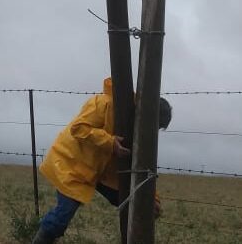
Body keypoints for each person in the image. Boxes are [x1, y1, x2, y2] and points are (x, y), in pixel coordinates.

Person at [32, 77, 172, 244]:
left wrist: (150, 198)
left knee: (132, 201)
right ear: (146, 114)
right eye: (153, 126)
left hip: (97, 171)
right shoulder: (103, 103)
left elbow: (136, 169)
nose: (151, 131)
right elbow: (79, 128)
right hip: (71, 163)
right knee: (62, 216)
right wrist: (110, 142)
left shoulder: (134, 129)